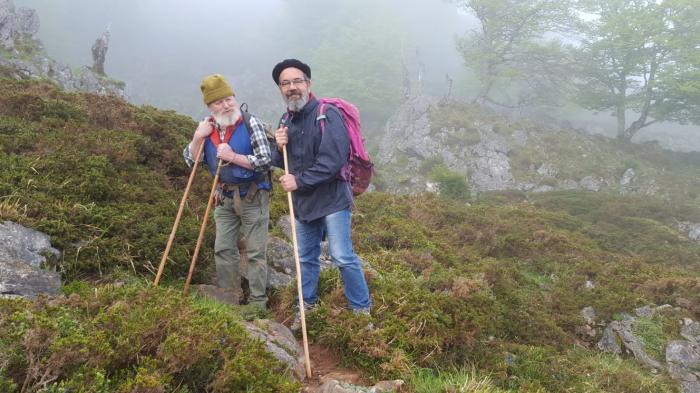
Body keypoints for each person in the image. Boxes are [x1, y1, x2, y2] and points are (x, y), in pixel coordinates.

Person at [270, 59, 372, 328]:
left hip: (333, 199)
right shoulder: (285, 121)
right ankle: (306, 308)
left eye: (297, 81)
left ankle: (361, 311)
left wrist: (298, 182)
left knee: (341, 256)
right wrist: (277, 146)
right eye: (285, 83)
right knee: (305, 258)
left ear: (308, 84)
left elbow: (333, 160)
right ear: (280, 89)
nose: (292, 87)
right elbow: (283, 162)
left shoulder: (327, 114)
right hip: (304, 203)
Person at [183, 74, 272, 309]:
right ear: (210, 107)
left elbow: (265, 161)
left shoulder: (251, 122)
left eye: (228, 99)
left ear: (234, 97)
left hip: (253, 195)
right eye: (218, 102)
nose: (226, 105)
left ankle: (257, 303)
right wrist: (197, 137)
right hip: (223, 196)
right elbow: (192, 162)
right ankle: (230, 298)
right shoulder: (207, 126)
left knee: (255, 251)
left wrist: (233, 157)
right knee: (223, 248)